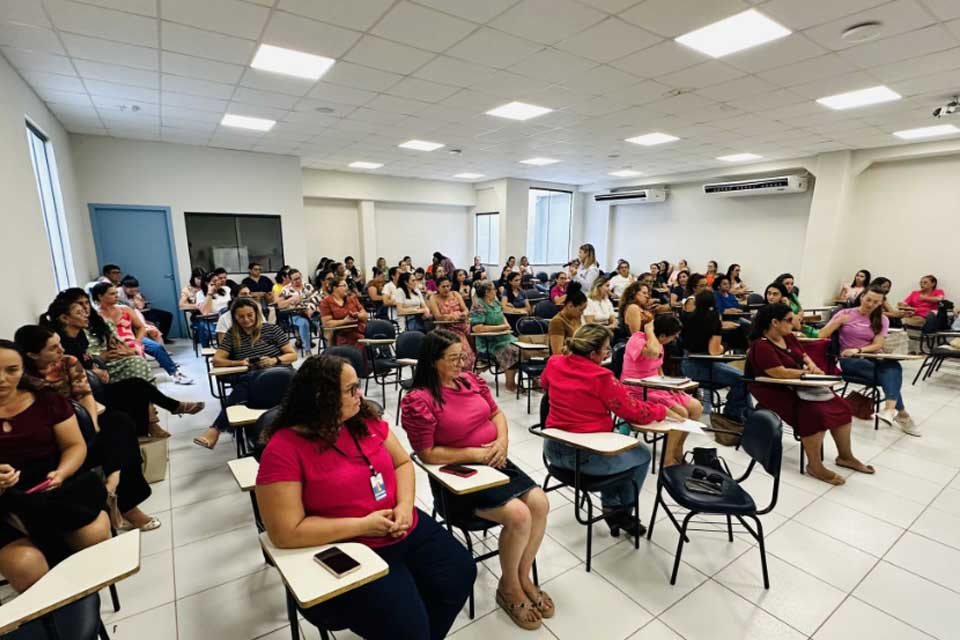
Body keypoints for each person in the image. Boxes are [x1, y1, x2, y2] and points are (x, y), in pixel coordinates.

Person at [256, 355, 475, 640]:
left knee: (459, 572)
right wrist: (362, 525)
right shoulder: (284, 449)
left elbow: (402, 464)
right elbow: (285, 532)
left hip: (398, 524)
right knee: (408, 626)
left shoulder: (364, 422)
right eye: (351, 390)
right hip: (348, 545)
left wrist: (405, 507)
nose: (360, 394)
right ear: (323, 397)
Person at [400, 331, 551, 629]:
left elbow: (496, 415)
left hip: (494, 461)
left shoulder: (470, 381)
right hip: (457, 477)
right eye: (453, 359)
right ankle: (509, 588)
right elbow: (427, 454)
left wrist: (502, 443)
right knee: (519, 514)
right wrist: (474, 453)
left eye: (463, 357)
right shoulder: (419, 400)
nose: (461, 364)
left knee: (540, 503)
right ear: (432, 362)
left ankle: (522, 576)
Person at [15, 325, 162, 530]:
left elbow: (85, 395)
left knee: (119, 423)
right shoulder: (22, 382)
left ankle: (114, 488)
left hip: (80, 428)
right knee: (116, 442)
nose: (60, 350)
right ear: (31, 355)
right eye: (52, 348)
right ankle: (123, 502)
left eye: (59, 343)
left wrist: (92, 426)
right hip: (56, 447)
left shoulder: (68, 362)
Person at [541, 325, 677, 536]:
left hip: (552, 450)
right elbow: (633, 411)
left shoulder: (554, 362)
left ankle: (612, 508)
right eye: (606, 348)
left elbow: (545, 385)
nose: (608, 352)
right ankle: (620, 511)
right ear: (593, 353)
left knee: (613, 449)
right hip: (585, 458)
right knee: (641, 454)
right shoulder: (601, 377)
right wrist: (661, 409)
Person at [0, 340, 111, 593]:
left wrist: (62, 472)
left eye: (12, 370)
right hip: (6, 501)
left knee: (91, 539)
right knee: (26, 567)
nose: (3, 380)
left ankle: (81, 599)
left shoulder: (47, 401)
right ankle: (56, 617)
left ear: (23, 369)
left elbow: (74, 446)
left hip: (54, 487)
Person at [748, 303, 874, 484]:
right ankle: (815, 465)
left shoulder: (788, 337)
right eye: (789, 320)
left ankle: (845, 456)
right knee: (815, 413)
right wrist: (807, 374)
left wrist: (812, 367)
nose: (794, 323)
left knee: (842, 406)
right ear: (774, 322)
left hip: (796, 384)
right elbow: (778, 373)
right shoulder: (761, 345)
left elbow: (804, 356)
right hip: (771, 387)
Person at [41, 298, 202, 438]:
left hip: (97, 381)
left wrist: (98, 365)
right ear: (65, 318)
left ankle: (153, 423)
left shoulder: (79, 337)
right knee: (137, 384)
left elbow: (89, 359)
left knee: (138, 381)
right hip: (88, 393)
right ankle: (170, 410)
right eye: (79, 312)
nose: (85, 314)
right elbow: (75, 372)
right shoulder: (65, 344)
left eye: (85, 309)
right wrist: (95, 369)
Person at [193, 299, 297, 449]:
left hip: (281, 374)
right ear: (234, 317)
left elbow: (292, 355)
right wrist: (241, 363)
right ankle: (219, 429)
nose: (246, 320)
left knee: (246, 384)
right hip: (253, 378)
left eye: (250, 315)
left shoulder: (272, 329)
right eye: (241, 316)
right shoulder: (232, 335)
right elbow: (217, 360)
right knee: (248, 381)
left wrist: (274, 360)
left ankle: (215, 429)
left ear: (256, 314)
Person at [818, 285, 918, 436]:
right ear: (862, 296)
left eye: (876, 302)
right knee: (890, 377)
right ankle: (901, 413)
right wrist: (838, 322)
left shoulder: (882, 319)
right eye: (868, 299)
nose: (870, 304)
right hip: (849, 360)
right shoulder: (845, 313)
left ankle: (890, 409)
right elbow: (821, 335)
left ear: (880, 303)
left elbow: (878, 345)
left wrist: (859, 350)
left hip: (872, 357)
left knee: (893, 366)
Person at [621, 315, 702, 466]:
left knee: (696, 407)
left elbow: (658, 369)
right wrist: (649, 330)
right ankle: (667, 459)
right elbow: (651, 352)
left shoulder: (659, 344)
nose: (674, 339)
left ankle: (678, 447)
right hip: (636, 390)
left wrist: (670, 386)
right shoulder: (637, 339)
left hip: (656, 387)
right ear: (663, 335)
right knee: (681, 413)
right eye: (673, 336)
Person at [91, 283, 193, 385]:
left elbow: (140, 327)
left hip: (133, 338)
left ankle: (175, 373)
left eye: (116, 293)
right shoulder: (96, 316)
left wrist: (137, 341)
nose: (116, 296)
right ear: (100, 296)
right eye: (112, 294)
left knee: (156, 347)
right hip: (113, 343)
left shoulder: (124, 309)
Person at [680, 290, 749, 430]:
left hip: (687, 364)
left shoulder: (689, 317)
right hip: (703, 366)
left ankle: (744, 415)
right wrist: (724, 347)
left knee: (742, 378)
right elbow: (714, 351)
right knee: (744, 380)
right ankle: (732, 416)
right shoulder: (713, 319)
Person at [470, 281, 519, 391]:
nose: (496, 291)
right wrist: (501, 327)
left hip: (505, 337)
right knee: (511, 350)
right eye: (494, 289)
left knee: (523, 347)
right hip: (489, 342)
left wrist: (506, 325)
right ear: (487, 292)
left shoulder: (496, 303)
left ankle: (536, 380)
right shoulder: (478, 305)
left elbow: (502, 317)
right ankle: (510, 383)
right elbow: (477, 328)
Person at [427, 276, 475, 372]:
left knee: (476, 341)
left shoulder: (455, 294)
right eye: (443, 287)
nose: (446, 289)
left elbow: (465, 309)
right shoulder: (433, 298)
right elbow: (437, 316)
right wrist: (450, 316)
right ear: (437, 287)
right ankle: (459, 374)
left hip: (463, 324)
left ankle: (471, 373)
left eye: (448, 286)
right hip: (447, 328)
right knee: (464, 351)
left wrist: (463, 314)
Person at [319, 278, 369, 350]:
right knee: (359, 342)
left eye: (347, 286)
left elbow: (365, 315)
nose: (347, 288)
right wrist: (345, 321)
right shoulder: (326, 302)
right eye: (344, 286)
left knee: (374, 334)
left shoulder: (352, 299)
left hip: (360, 330)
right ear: (335, 288)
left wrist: (358, 315)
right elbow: (327, 323)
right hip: (340, 333)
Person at [278, 269, 320, 350]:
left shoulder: (308, 286)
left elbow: (316, 297)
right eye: (295, 279)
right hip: (295, 314)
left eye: (299, 278)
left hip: (311, 309)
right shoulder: (286, 289)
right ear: (290, 280)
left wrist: (310, 298)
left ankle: (327, 346)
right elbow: (280, 305)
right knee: (304, 323)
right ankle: (307, 349)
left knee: (321, 322)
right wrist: (292, 299)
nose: (298, 281)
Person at [548, 282, 586, 355]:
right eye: (580, 310)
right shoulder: (557, 322)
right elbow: (557, 353)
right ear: (570, 305)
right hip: (564, 362)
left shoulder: (576, 318)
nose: (582, 313)